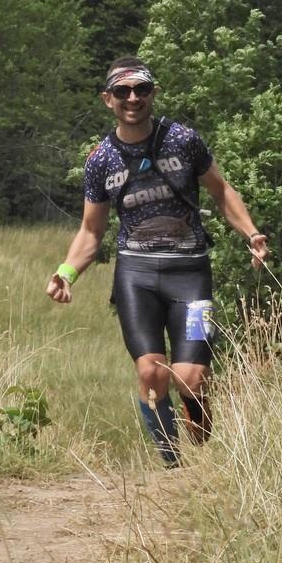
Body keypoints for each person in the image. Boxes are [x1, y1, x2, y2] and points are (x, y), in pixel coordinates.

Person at [46, 57, 268, 466]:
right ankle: (173, 464)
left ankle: (203, 452)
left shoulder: (182, 140)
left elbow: (221, 191)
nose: (133, 98)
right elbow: (91, 231)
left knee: (192, 378)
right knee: (151, 372)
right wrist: (67, 272)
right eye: (122, 91)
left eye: (141, 89)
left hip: (191, 275)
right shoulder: (100, 159)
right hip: (137, 276)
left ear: (153, 93)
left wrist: (251, 234)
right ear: (108, 99)